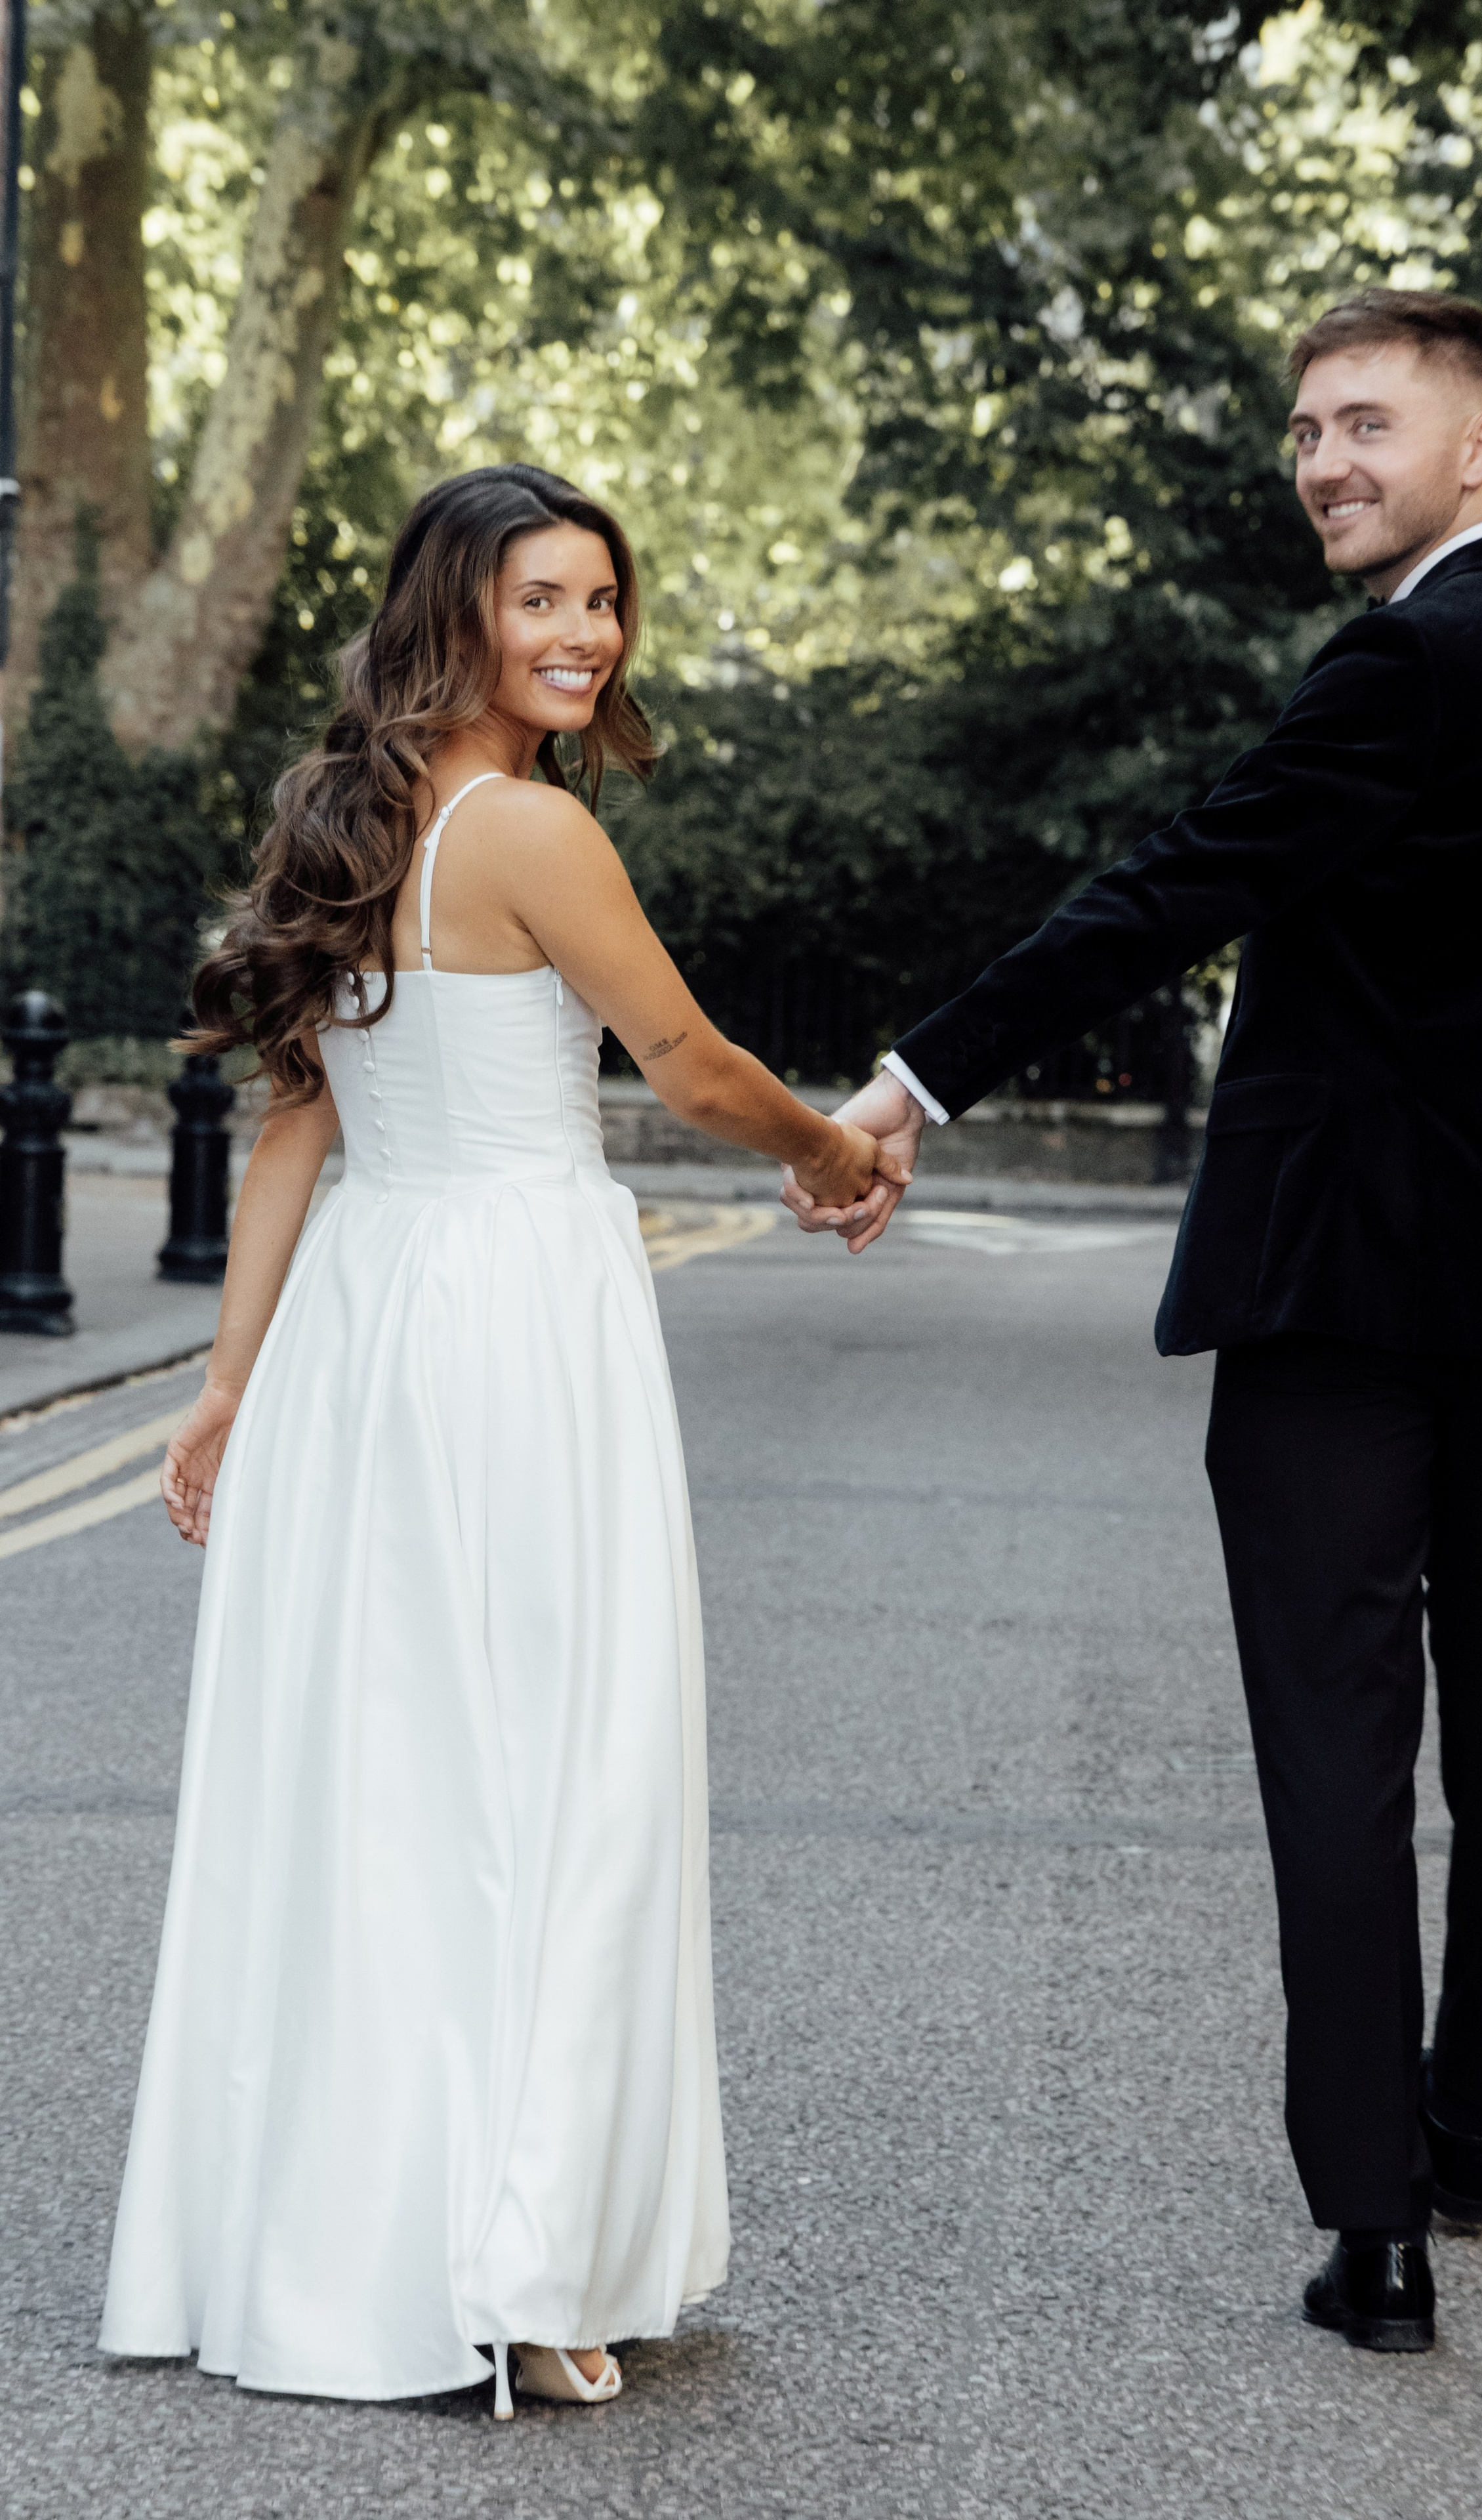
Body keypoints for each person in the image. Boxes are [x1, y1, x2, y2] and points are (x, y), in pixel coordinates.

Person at [788, 289, 1482, 2351]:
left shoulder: (1410, 666)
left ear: (1481, 445)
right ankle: (1468, 2131)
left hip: (1346, 1289)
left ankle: (1377, 2234)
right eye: (1302, 431)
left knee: (1342, 1743)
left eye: (1366, 422)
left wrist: (911, 1087)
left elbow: (1178, 883)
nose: (1323, 463)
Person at [100, 465, 897, 2412]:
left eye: (605, 602)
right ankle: (523, 2263)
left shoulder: (340, 817)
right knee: (567, 1772)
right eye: (541, 600)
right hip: (521, 1320)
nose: (583, 635)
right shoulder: (532, 831)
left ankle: (358, 2240)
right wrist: (833, 1154)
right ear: (454, 612)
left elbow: (304, 1120)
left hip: (376, 1321)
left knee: (384, 1785)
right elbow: (693, 1062)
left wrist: (231, 1381)